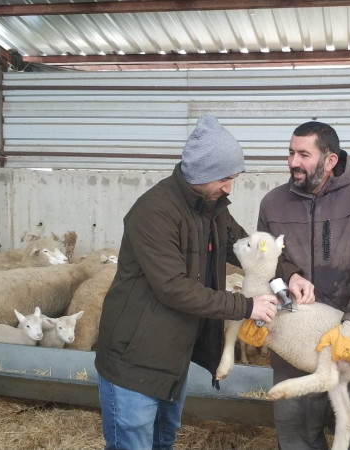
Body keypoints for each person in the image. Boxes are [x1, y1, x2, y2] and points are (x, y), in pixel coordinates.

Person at [94, 114, 280, 450]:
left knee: (163, 441)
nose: (229, 188)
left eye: (233, 177)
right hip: (135, 358)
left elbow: (246, 249)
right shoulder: (154, 211)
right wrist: (246, 306)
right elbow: (173, 287)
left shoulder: (211, 208)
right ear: (201, 172)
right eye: (224, 178)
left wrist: (287, 274)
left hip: (172, 356)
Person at [257, 121, 350, 449]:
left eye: (304, 154)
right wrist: (283, 284)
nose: (293, 162)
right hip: (295, 346)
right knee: (296, 436)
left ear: (330, 160)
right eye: (290, 153)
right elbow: (268, 264)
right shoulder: (273, 204)